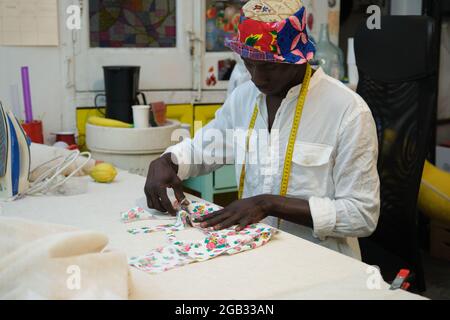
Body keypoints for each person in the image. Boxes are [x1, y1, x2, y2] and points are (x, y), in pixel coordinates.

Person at [145, 0, 380, 259]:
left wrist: (269, 204)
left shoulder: (347, 111)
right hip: (255, 252)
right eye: (249, 63)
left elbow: (362, 215)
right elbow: (205, 147)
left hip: (319, 260)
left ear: (299, 58)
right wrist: (170, 161)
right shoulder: (245, 97)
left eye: (269, 66)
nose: (257, 77)